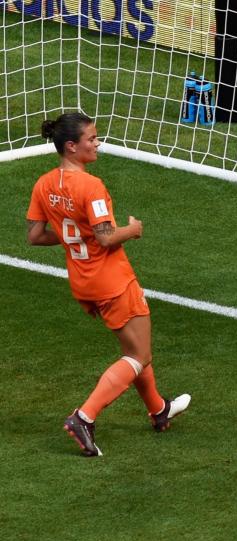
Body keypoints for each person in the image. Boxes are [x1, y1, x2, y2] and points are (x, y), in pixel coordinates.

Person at [26, 112, 190, 457]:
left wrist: (74, 237)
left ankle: (159, 410)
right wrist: (133, 229)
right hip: (112, 280)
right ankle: (84, 417)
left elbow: (35, 236)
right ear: (72, 146)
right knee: (138, 355)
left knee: (135, 350)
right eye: (91, 139)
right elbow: (105, 237)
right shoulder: (91, 186)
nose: (97, 143)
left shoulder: (43, 184)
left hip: (83, 281)